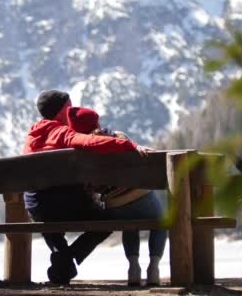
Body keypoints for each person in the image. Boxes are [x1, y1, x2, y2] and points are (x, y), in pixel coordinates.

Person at [23, 90, 147, 284]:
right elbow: (88, 142)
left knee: (49, 222)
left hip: (36, 206)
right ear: (59, 112)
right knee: (106, 222)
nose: (72, 112)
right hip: (63, 204)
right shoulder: (60, 132)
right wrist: (127, 144)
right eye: (69, 108)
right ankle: (66, 259)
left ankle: (62, 266)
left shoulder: (31, 137)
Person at [66, 106, 168, 286]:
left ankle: (133, 267)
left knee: (129, 224)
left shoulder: (80, 153)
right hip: (141, 197)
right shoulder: (118, 137)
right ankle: (153, 267)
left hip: (115, 206)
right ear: (96, 122)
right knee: (161, 222)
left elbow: (88, 188)